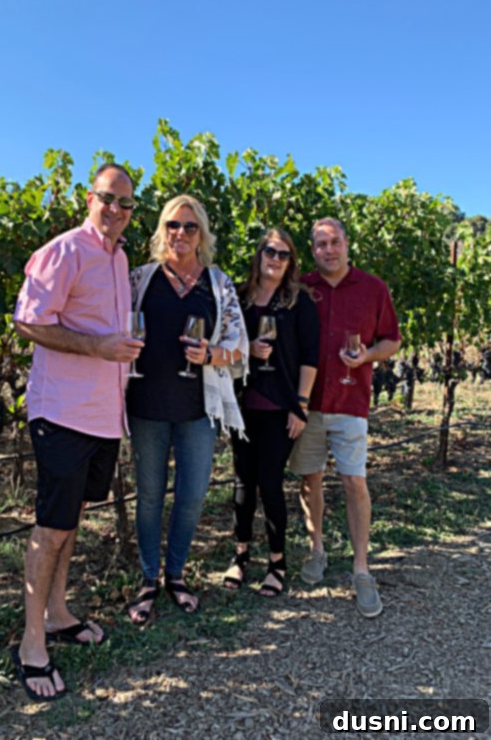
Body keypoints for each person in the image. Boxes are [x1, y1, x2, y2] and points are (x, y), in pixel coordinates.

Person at [11, 163, 144, 701]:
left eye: (125, 203)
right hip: (62, 412)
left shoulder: (119, 258)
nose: (115, 210)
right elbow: (28, 320)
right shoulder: (66, 250)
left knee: (71, 520)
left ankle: (60, 612)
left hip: (101, 415)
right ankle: (31, 643)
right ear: (88, 198)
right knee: (51, 526)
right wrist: (98, 348)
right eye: (107, 199)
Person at [125, 194, 249, 625]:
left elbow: (240, 346)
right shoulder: (139, 278)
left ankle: (176, 575)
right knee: (149, 498)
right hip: (145, 405)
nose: (180, 234)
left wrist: (212, 356)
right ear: (162, 230)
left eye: (190, 227)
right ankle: (147, 579)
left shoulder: (218, 283)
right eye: (173, 225)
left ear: (202, 234)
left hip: (197, 407)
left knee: (193, 496)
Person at [290, 217, 401, 617]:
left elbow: (392, 339)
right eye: (320, 244)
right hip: (309, 403)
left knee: (355, 481)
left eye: (334, 242)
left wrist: (368, 355)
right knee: (310, 479)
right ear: (314, 250)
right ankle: (316, 548)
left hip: (352, 402)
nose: (328, 250)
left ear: (346, 243)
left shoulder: (373, 289)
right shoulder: (302, 288)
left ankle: (361, 569)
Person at [223, 229, 319, 596]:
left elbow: (310, 358)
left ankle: (277, 563)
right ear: (259, 254)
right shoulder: (240, 298)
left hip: (280, 408)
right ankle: (240, 555)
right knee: (243, 482)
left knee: (270, 482)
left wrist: (301, 406)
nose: (275, 258)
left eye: (283, 254)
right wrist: (247, 349)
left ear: (291, 261)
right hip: (243, 405)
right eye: (270, 251)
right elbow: (225, 344)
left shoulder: (299, 302)